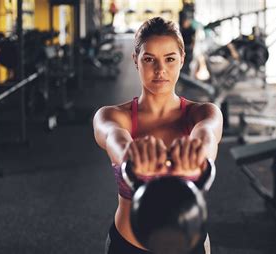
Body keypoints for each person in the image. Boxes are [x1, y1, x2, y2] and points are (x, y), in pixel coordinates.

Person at [93, 17, 223, 254]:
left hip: (190, 245)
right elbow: (115, 138)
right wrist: (131, 156)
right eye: (149, 59)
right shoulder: (112, 115)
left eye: (170, 59)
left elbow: (207, 136)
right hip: (128, 245)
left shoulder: (203, 112)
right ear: (136, 60)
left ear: (182, 59)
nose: (160, 69)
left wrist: (196, 155)